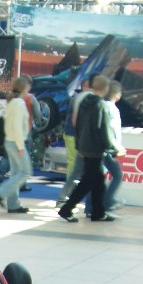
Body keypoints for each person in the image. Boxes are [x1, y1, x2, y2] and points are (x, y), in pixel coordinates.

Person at [58, 74, 117, 223]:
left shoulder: (85, 101)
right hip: (95, 148)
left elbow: (77, 124)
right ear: (106, 88)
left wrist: (79, 144)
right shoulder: (101, 105)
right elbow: (104, 129)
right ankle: (67, 209)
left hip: (84, 146)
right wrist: (112, 147)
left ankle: (98, 212)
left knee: (97, 180)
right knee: (88, 181)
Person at [86, 79, 126, 217]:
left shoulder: (102, 106)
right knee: (117, 175)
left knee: (97, 177)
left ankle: (90, 207)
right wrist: (116, 147)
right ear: (117, 93)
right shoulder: (112, 109)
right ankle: (107, 201)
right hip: (108, 148)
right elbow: (111, 130)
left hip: (101, 147)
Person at [0, 77, 33, 214]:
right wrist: (21, 146)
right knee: (25, 172)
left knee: (16, 173)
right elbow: (17, 126)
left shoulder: (11, 102)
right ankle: (1, 192)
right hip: (16, 142)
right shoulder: (19, 103)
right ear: (24, 88)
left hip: (9, 141)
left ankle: (13, 204)